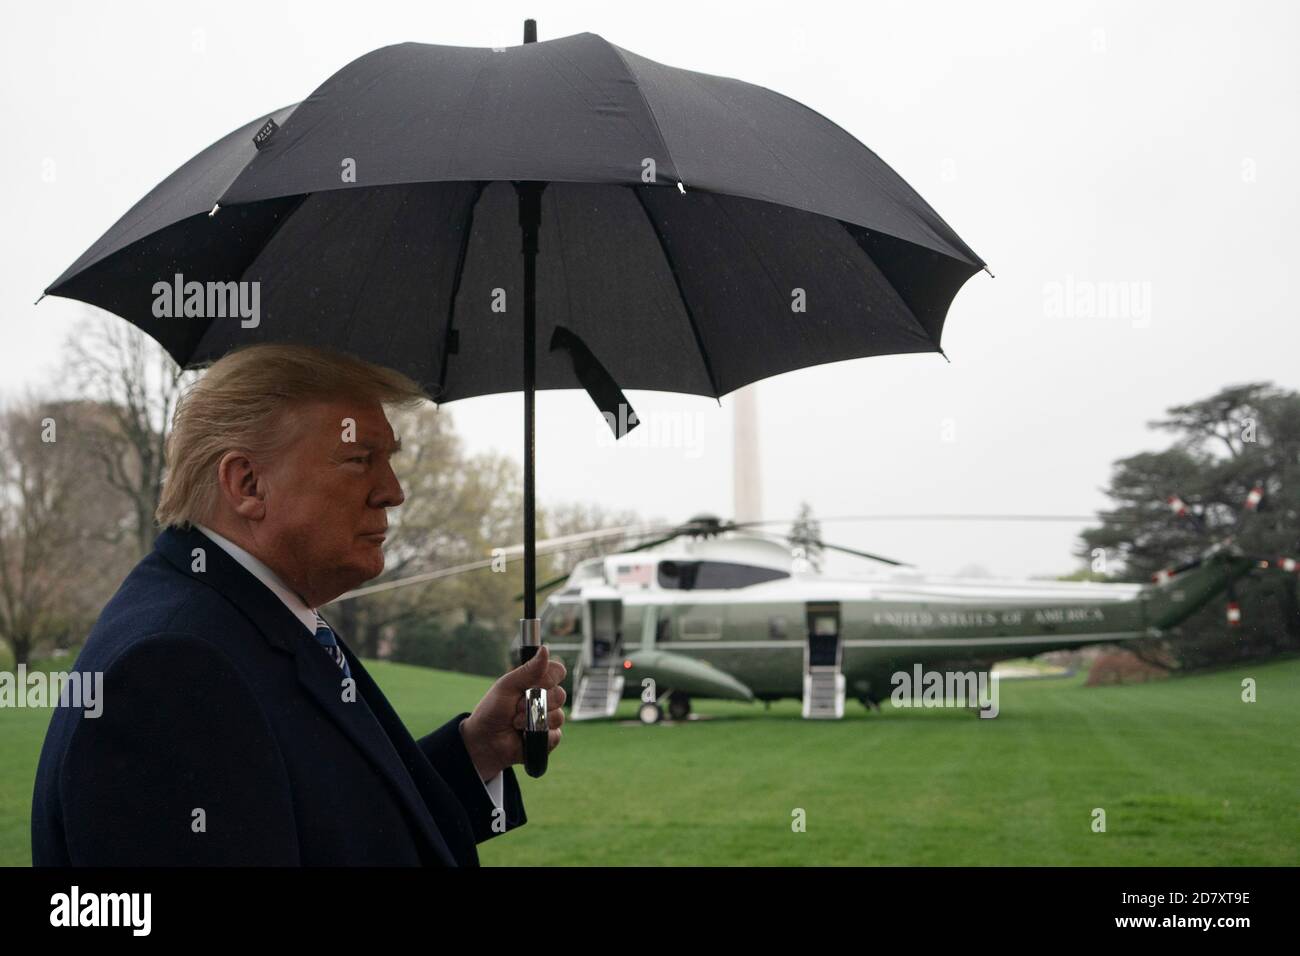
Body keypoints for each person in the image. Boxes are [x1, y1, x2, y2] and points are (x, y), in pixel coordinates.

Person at [31, 343, 565, 865]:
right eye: (359, 459)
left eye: (388, 459)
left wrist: (475, 752)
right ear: (247, 484)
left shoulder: (246, 619)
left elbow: (332, 818)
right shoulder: (171, 672)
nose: (393, 491)